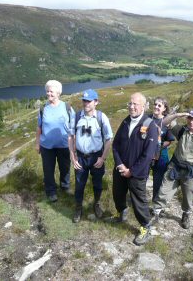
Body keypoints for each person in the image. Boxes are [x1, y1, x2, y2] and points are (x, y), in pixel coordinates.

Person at [152, 108, 193, 229]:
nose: (191, 122)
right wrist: (179, 114)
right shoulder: (181, 130)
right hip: (175, 167)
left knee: (188, 195)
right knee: (163, 190)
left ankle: (186, 214)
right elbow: (164, 122)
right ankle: (156, 213)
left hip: (192, 171)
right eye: (189, 118)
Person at [112, 92, 159, 246]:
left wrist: (131, 171)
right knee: (118, 194)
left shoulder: (150, 126)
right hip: (120, 169)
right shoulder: (126, 121)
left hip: (137, 173)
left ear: (144, 106)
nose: (131, 107)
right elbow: (115, 145)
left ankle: (145, 227)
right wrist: (120, 165)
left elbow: (148, 155)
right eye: (130, 103)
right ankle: (122, 213)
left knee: (138, 201)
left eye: (135, 104)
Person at [69, 89, 113, 223]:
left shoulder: (101, 117)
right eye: (84, 100)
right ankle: (78, 207)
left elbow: (109, 138)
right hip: (80, 157)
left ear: (96, 102)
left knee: (98, 183)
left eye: (89, 101)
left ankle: (97, 203)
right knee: (79, 184)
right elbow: (70, 137)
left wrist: (103, 158)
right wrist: (73, 156)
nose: (86, 103)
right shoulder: (76, 117)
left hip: (96, 157)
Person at [36, 80, 75, 202]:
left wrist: (74, 144)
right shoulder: (43, 109)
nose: (48, 93)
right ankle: (51, 191)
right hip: (47, 146)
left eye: (51, 91)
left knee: (65, 167)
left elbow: (73, 126)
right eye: (47, 91)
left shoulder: (67, 107)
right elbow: (39, 128)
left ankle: (65, 186)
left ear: (58, 93)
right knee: (48, 170)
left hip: (64, 145)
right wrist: (37, 144)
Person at [149, 97, 175, 202]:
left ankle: (156, 203)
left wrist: (157, 146)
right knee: (142, 177)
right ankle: (140, 202)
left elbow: (169, 140)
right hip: (146, 153)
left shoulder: (167, 121)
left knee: (158, 180)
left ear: (164, 108)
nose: (156, 107)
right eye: (155, 104)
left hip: (161, 155)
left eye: (159, 105)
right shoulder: (147, 118)